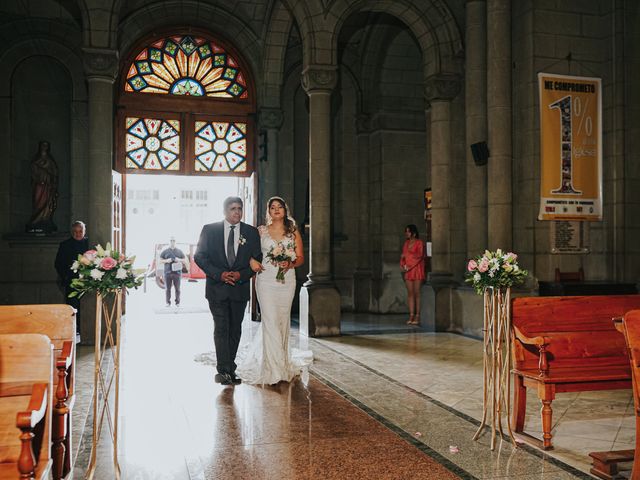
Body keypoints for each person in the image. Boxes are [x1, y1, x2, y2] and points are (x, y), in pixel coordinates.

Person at [235, 196, 313, 385]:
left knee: (281, 321)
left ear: (285, 210)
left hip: (287, 281)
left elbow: (301, 257)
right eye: (272, 207)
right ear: (268, 211)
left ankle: (283, 362)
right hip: (266, 280)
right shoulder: (261, 232)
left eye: (280, 207)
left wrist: (291, 262)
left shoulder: (292, 232)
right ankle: (273, 370)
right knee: (269, 320)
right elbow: (245, 252)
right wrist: (251, 261)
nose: (276, 210)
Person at [194, 197, 262, 386]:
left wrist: (241, 275)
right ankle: (224, 370)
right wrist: (220, 274)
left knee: (235, 329)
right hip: (217, 288)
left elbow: (257, 259)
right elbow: (199, 256)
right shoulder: (210, 230)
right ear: (224, 211)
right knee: (221, 327)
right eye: (233, 209)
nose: (237, 212)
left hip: (239, 289)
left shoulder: (251, 232)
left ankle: (230, 366)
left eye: (240, 209)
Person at [54, 220, 89, 343]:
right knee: (73, 306)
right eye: (75, 231)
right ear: (72, 232)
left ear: (84, 231)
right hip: (71, 281)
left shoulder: (89, 244)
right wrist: (66, 276)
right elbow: (58, 263)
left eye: (80, 231)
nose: (78, 234)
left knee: (86, 306)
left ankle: (85, 330)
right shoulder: (65, 245)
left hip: (88, 282)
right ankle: (75, 330)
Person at [27, 140, 59, 233]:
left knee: (47, 204)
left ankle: (45, 219)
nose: (44, 147)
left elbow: (55, 173)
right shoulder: (35, 160)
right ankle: (36, 220)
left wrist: (52, 179)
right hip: (39, 184)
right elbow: (33, 171)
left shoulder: (51, 160)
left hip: (48, 186)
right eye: (43, 145)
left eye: (46, 145)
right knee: (38, 202)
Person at [400, 224, 425, 326]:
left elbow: (419, 256)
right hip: (408, 270)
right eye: (406, 231)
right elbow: (402, 256)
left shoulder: (419, 243)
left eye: (408, 231)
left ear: (414, 233)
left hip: (417, 269)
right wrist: (404, 265)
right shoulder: (406, 243)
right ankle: (411, 314)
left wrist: (407, 258)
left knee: (417, 293)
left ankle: (418, 315)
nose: (407, 233)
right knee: (410, 293)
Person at [159, 237, 187, 307]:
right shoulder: (165, 251)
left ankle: (177, 303)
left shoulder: (179, 251)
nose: (172, 242)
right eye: (171, 240)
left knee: (177, 289)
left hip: (177, 273)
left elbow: (184, 260)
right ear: (169, 242)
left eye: (173, 240)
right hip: (167, 273)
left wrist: (179, 260)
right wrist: (166, 261)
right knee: (167, 289)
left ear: (175, 242)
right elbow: (160, 260)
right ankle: (168, 303)